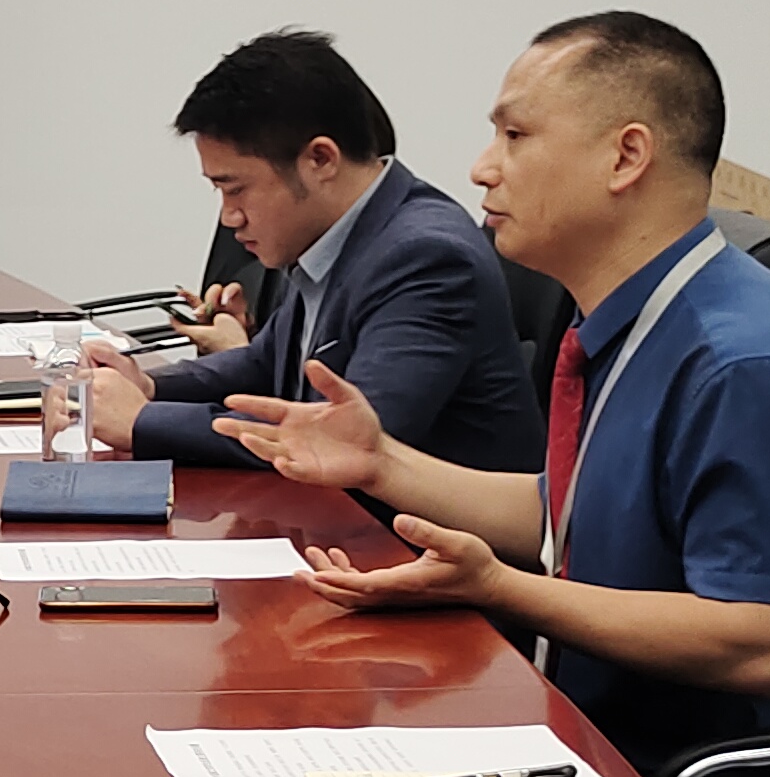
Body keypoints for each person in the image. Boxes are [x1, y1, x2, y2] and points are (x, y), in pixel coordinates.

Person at [218, 10, 770, 777]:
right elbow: (566, 510)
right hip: (610, 754)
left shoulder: (746, 362)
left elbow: (761, 642)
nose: (481, 168)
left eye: (515, 135)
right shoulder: (638, 317)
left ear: (625, 157)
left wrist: (502, 587)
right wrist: (381, 463)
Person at [84, 28, 542, 478]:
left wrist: (143, 421)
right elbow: (264, 363)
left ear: (320, 160)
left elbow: (341, 441)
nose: (229, 217)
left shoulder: (426, 258)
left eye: (235, 188)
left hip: (402, 524)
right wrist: (149, 386)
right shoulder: (336, 231)